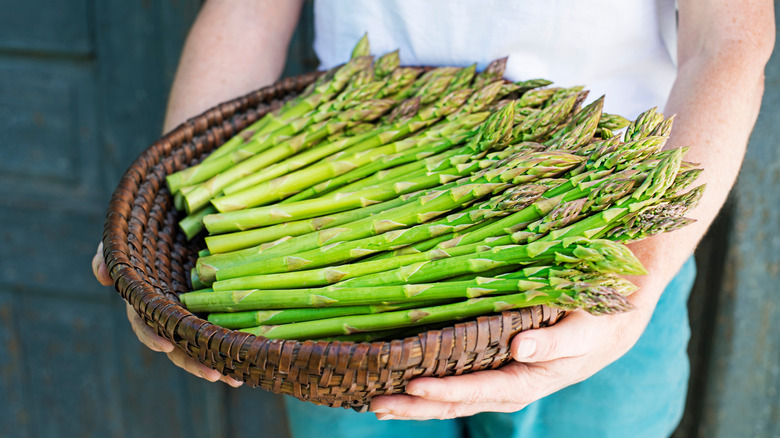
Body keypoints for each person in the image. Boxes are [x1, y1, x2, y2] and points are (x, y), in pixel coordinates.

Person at [92, 0, 774, 436]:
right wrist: (168, 213)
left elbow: (731, 40)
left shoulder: (615, 267)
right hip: (338, 190)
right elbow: (247, 12)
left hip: (593, 244)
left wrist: (634, 288)